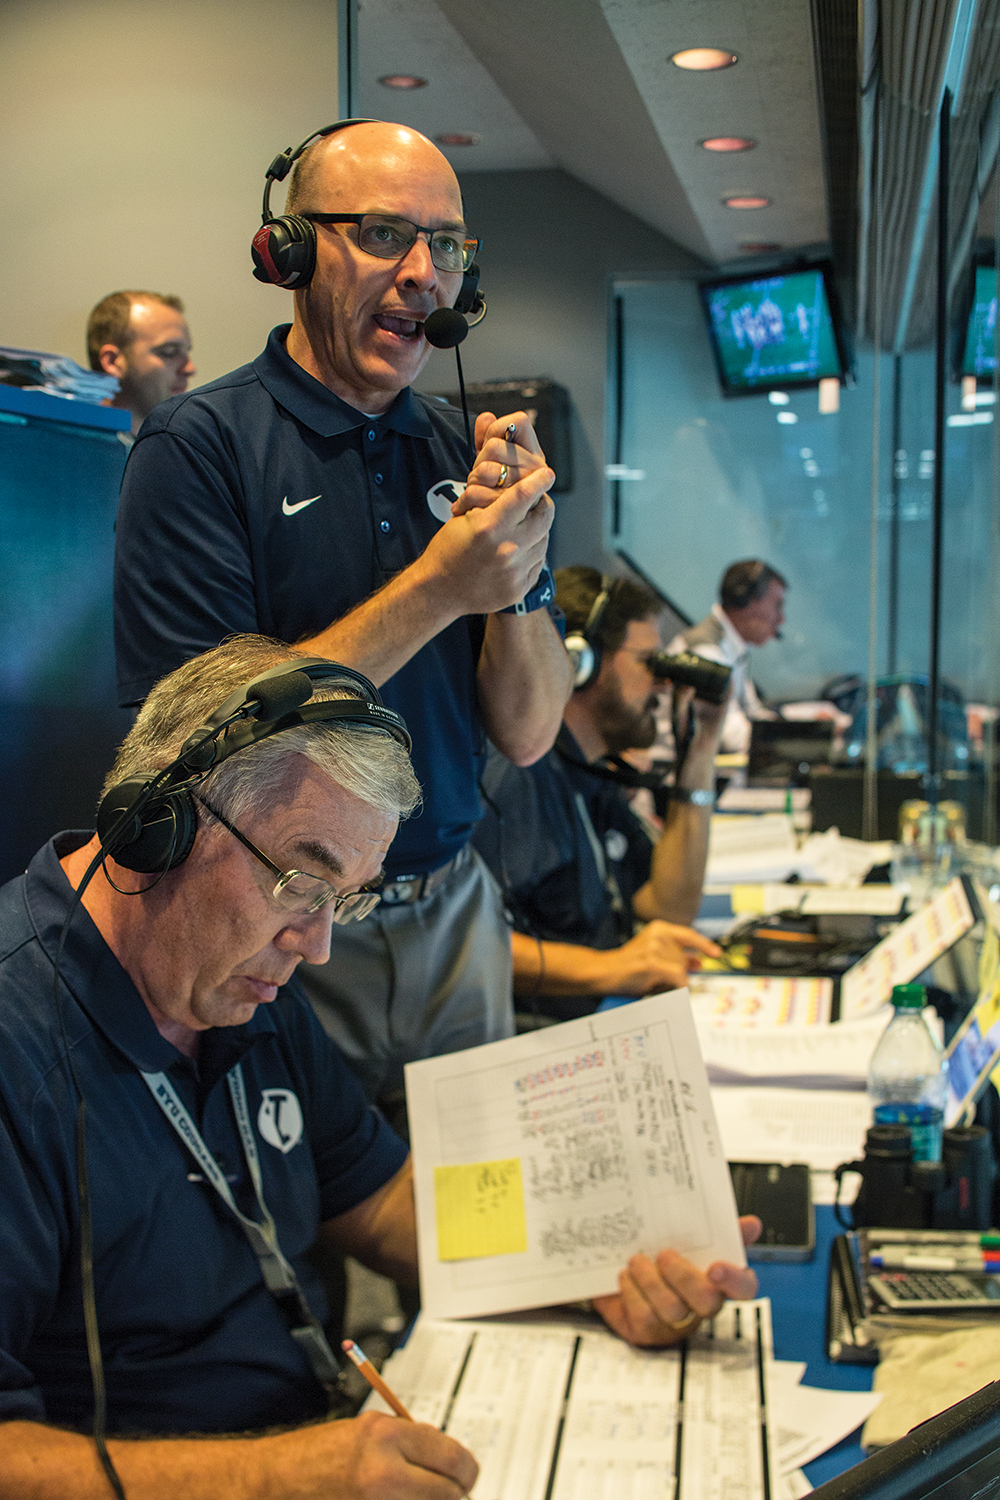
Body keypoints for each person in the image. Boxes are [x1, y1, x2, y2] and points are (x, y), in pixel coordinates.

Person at [0, 635, 759, 1499]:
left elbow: (385, 1203)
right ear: (159, 825)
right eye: (298, 880)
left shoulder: (245, 989)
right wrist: (278, 1480)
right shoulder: (17, 1045)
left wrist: (594, 1275)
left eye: (346, 899)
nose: (317, 947)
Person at [112, 119, 571, 1108]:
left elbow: (530, 736)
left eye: (445, 246)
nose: (421, 273)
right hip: (277, 932)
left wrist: (519, 571)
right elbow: (195, 736)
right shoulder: (199, 446)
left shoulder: (466, 451)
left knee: (472, 1244)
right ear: (286, 254)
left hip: (454, 916)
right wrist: (441, 587)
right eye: (378, 235)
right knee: (301, 1241)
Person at [473, 567, 727, 1021]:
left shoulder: (588, 773)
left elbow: (667, 908)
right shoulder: (512, 779)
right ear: (578, 664)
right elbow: (461, 943)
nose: (664, 684)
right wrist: (609, 969)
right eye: (650, 663)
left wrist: (700, 754)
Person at [667, 559, 786, 755]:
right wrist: (797, 742)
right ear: (745, 601)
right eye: (777, 606)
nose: (781, 619)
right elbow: (730, 735)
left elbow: (752, 712)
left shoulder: (733, 648)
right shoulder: (706, 652)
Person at [86, 290, 196, 436]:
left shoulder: (185, 445)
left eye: (186, 351)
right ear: (112, 361)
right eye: (169, 352)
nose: (190, 368)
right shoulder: (72, 449)